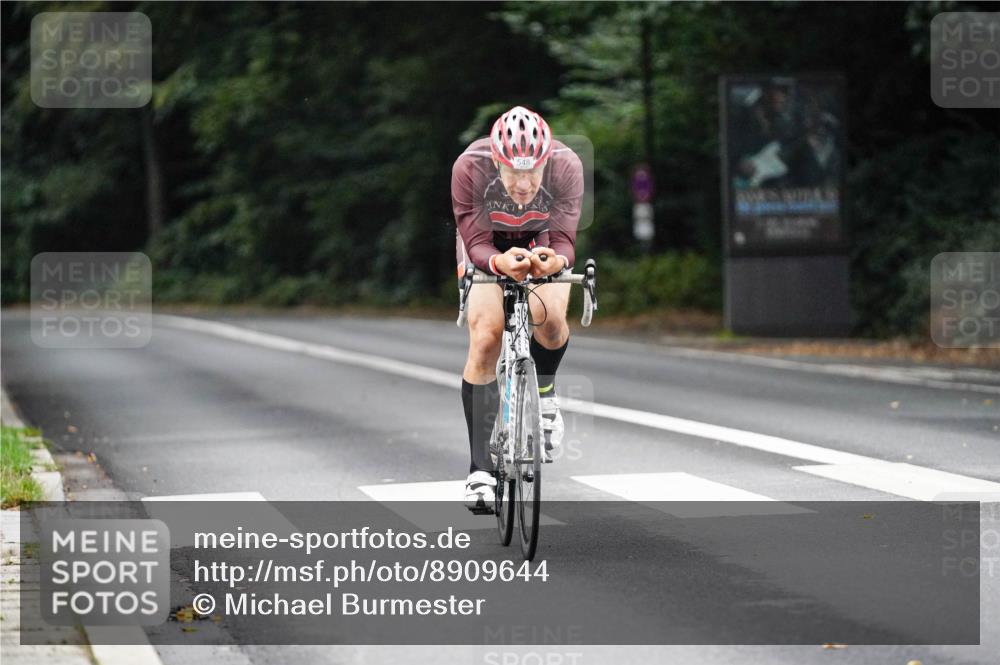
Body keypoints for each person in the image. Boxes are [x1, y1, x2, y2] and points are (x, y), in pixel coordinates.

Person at [451, 106, 584, 512]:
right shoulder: (469, 167)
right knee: (488, 332)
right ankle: (480, 470)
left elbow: (564, 240)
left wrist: (556, 262)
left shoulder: (567, 166)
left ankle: (544, 394)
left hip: (542, 239)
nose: (524, 184)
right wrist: (498, 263)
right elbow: (474, 242)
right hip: (486, 244)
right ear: (496, 161)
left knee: (551, 318)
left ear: (546, 162)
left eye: (532, 172)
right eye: (513, 172)